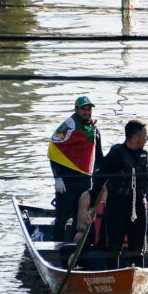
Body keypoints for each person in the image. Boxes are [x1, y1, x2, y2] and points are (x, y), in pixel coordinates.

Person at [88, 120, 148, 268]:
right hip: (116, 207)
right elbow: (99, 181)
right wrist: (92, 207)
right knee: (114, 249)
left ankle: (138, 278)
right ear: (135, 137)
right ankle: (112, 277)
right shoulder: (115, 154)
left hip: (138, 207)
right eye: (145, 135)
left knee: (137, 251)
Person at [48, 95, 103, 241]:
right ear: (76, 109)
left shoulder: (94, 130)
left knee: (79, 216)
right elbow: (54, 149)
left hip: (85, 179)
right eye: (83, 109)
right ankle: (56, 246)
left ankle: (73, 247)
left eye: (89, 109)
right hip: (67, 180)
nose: (87, 112)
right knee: (62, 215)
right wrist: (57, 177)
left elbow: (99, 158)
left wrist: (102, 178)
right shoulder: (68, 125)